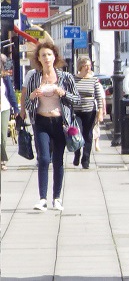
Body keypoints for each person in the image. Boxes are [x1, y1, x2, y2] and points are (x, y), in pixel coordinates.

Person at [25, 42, 80, 211]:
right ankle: (42, 199)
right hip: (41, 122)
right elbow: (28, 103)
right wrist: (33, 95)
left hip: (60, 123)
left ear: (54, 57)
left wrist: (63, 93)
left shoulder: (65, 77)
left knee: (57, 160)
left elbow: (77, 99)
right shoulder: (34, 77)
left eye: (49, 55)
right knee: (43, 159)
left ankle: (56, 198)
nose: (46, 58)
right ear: (38, 59)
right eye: (43, 55)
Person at [72, 58, 103, 168]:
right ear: (80, 66)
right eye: (85, 65)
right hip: (76, 111)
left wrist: (100, 112)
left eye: (89, 65)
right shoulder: (73, 79)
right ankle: (77, 153)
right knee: (76, 133)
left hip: (89, 111)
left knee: (88, 135)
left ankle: (86, 160)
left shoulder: (94, 80)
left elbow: (99, 97)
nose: (88, 67)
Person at [1, 54, 20, 171]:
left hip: (3, 108)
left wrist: (16, 109)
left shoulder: (4, 77)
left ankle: (2, 160)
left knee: (2, 135)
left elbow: (11, 94)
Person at [93, 76, 106, 151]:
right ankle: (95, 143)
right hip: (88, 108)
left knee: (96, 125)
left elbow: (102, 99)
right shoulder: (99, 85)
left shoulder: (98, 86)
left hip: (97, 109)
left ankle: (96, 143)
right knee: (95, 126)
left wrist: (103, 110)